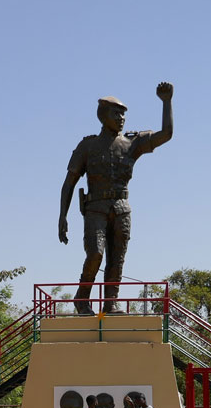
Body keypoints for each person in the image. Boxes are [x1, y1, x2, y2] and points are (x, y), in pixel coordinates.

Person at [58, 83, 175, 315]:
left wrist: (166, 101)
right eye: (116, 113)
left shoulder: (132, 144)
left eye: (123, 114)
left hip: (121, 209)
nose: (121, 118)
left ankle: (111, 303)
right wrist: (62, 216)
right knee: (95, 253)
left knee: (117, 259)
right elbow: (69, 182)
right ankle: (82, 298)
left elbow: (166, 134)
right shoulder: (87, 146)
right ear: (103, 116)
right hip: (95, 208)